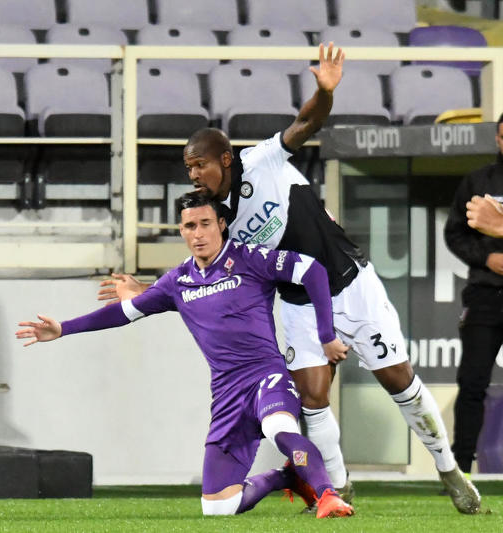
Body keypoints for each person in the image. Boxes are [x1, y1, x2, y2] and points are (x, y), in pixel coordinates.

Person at [99, 43, 481, 514]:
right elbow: (199, 265)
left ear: (225, 157)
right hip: (297, 300)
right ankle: (337, 488)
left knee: (399, 381)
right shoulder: (214, 216)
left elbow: (308, 125)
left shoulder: (262, 160)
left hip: (350, 281)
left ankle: (448, 469)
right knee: (312, 396)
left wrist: (324, 93)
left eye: (200, 164)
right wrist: (147, 289)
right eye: (189, 169)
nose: (195, 174)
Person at [17, 192, 354, 518]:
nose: (198, 233)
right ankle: (287, 476)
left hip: (267, 376)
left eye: (205, 223)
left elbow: (312, 271)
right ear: (181, 231)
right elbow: (123, 312)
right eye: (189, 226)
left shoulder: (251, 258)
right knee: (218, 507)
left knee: (279, 427)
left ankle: (328, 496)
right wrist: (62, 329)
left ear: (221, 224)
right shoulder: (177, 281)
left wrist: (326, 336)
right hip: (226, 394)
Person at [444, 113, 503, 474]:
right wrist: (488, 257)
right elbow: (455, 234)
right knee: (472, 383)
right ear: (497, 139)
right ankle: (461, 467)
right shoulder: (478, 181)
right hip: (486, 294)